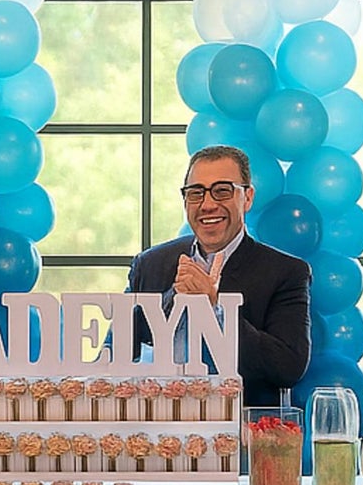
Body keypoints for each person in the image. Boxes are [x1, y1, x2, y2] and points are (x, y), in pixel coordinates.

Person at [126, 145, 311, 406]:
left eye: (222, 191)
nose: (208, 205)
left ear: (247, 198)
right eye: (196, 193)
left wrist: (215, 307)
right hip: (157, 429)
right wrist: (174, 298)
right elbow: (119, 351)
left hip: (238, 434)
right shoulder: (149, 264)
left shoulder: (286, 272)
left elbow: (288, 368)